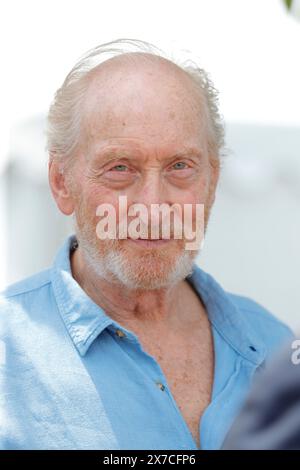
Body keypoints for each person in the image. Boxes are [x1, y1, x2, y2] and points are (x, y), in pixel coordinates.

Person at [0, 38, 293, 450]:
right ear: (61, 182)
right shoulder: (9, 356)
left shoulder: (275, 345)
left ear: (212, 179)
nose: (153, 206)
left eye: (180, 167)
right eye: (120, 168)